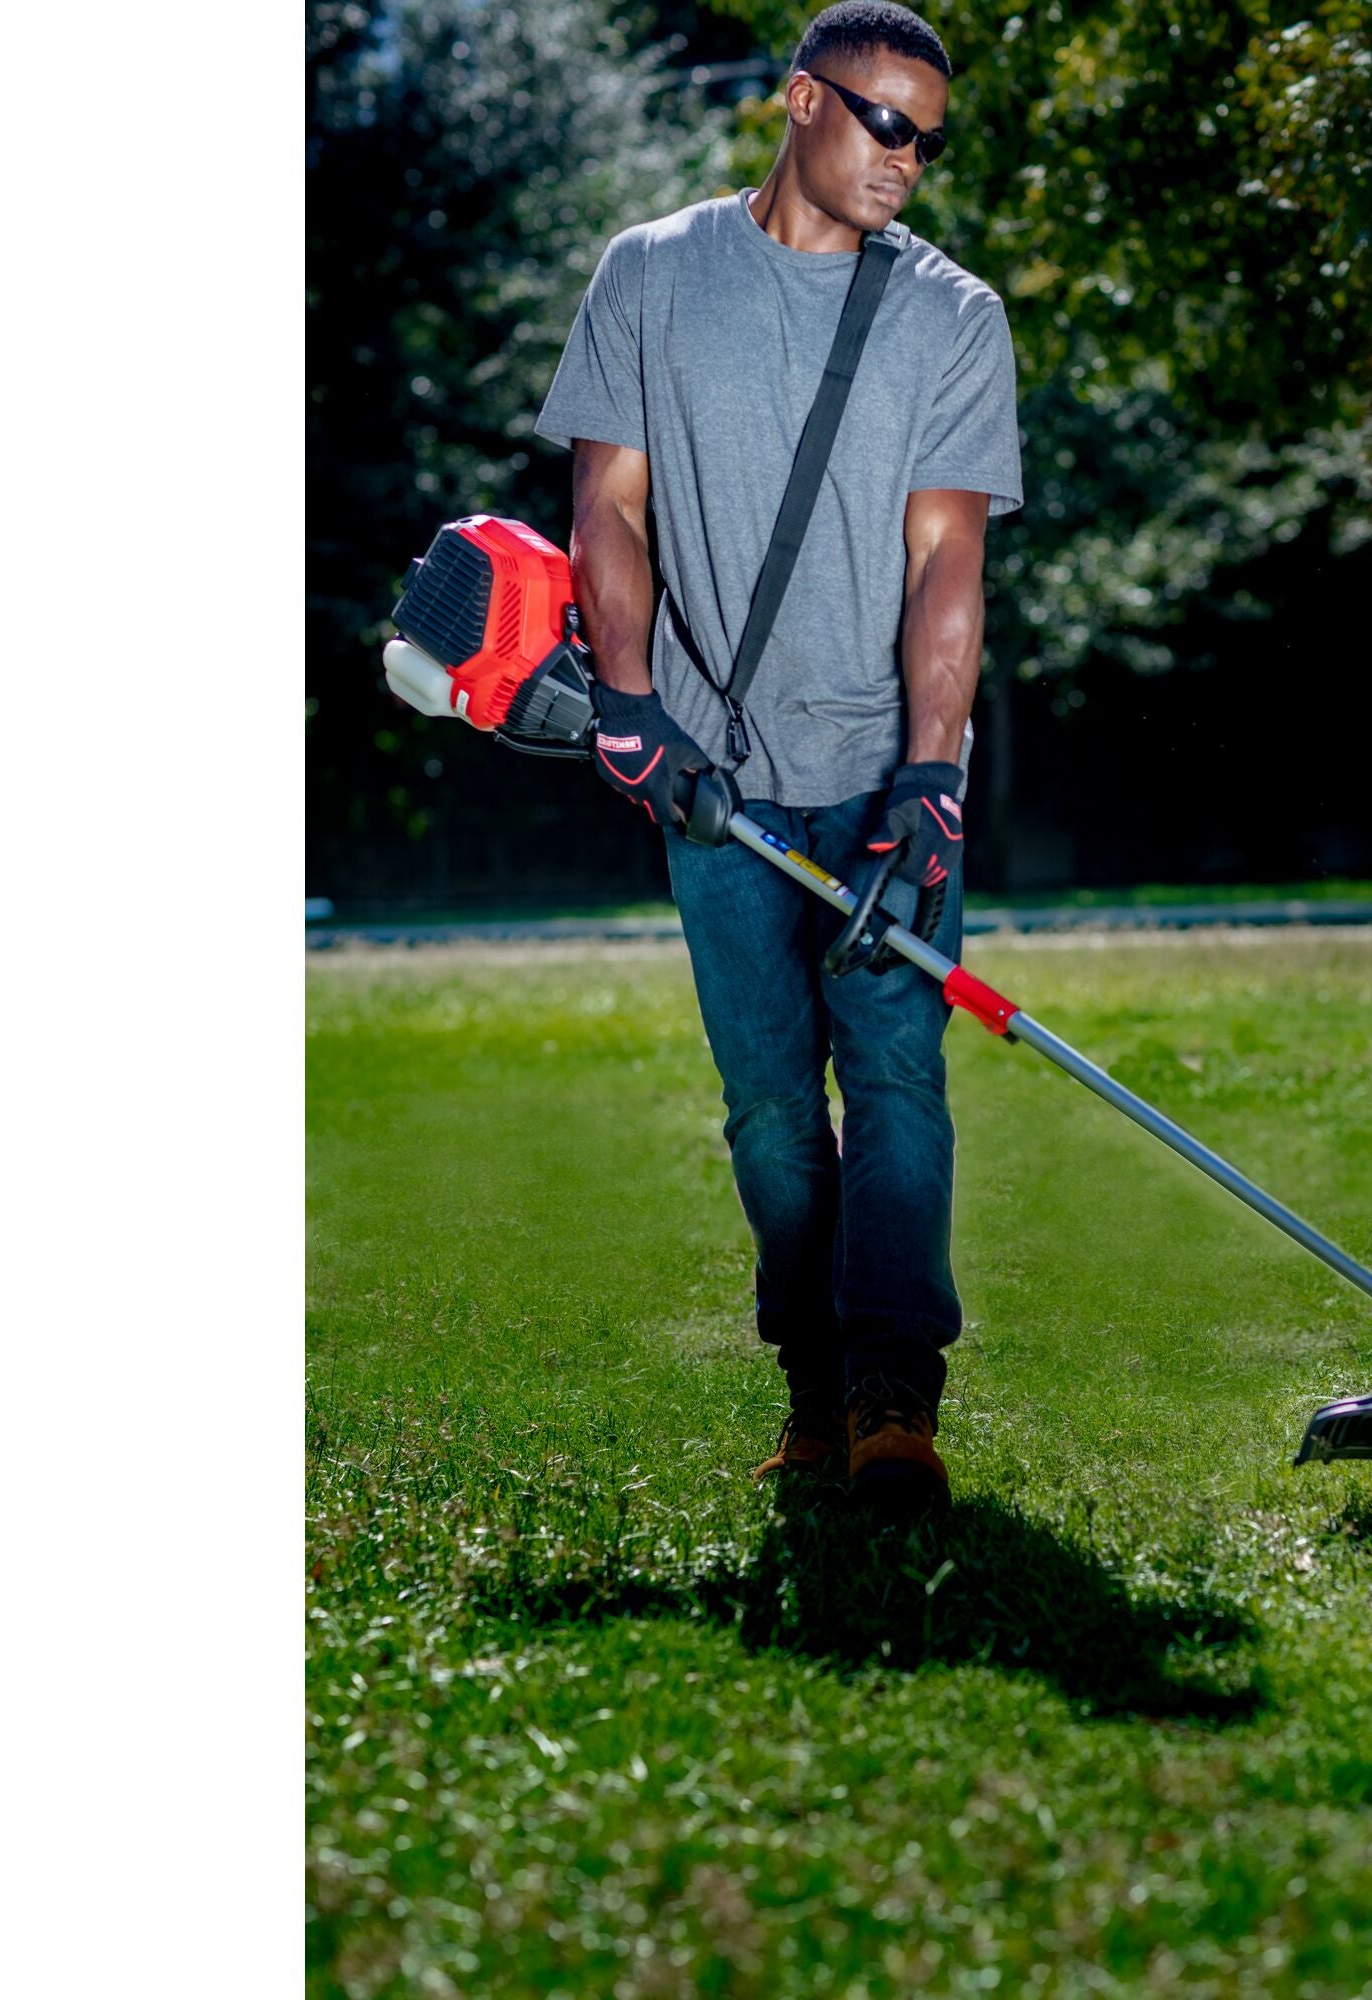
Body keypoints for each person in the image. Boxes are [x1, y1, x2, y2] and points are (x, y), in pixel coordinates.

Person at [535, 2, 1023, 1508]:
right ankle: (812, 1383)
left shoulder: (951, 314)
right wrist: (631, 706)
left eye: (929, 142)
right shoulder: (652, 274)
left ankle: (893, 1398)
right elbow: (606, 506)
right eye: (886, 123)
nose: (908, 162)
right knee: (765, 1107)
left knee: (895, 1083)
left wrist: (932, 781)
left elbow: (947, 557)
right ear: (801, 102)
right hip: (709, 774)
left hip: (885, 769)